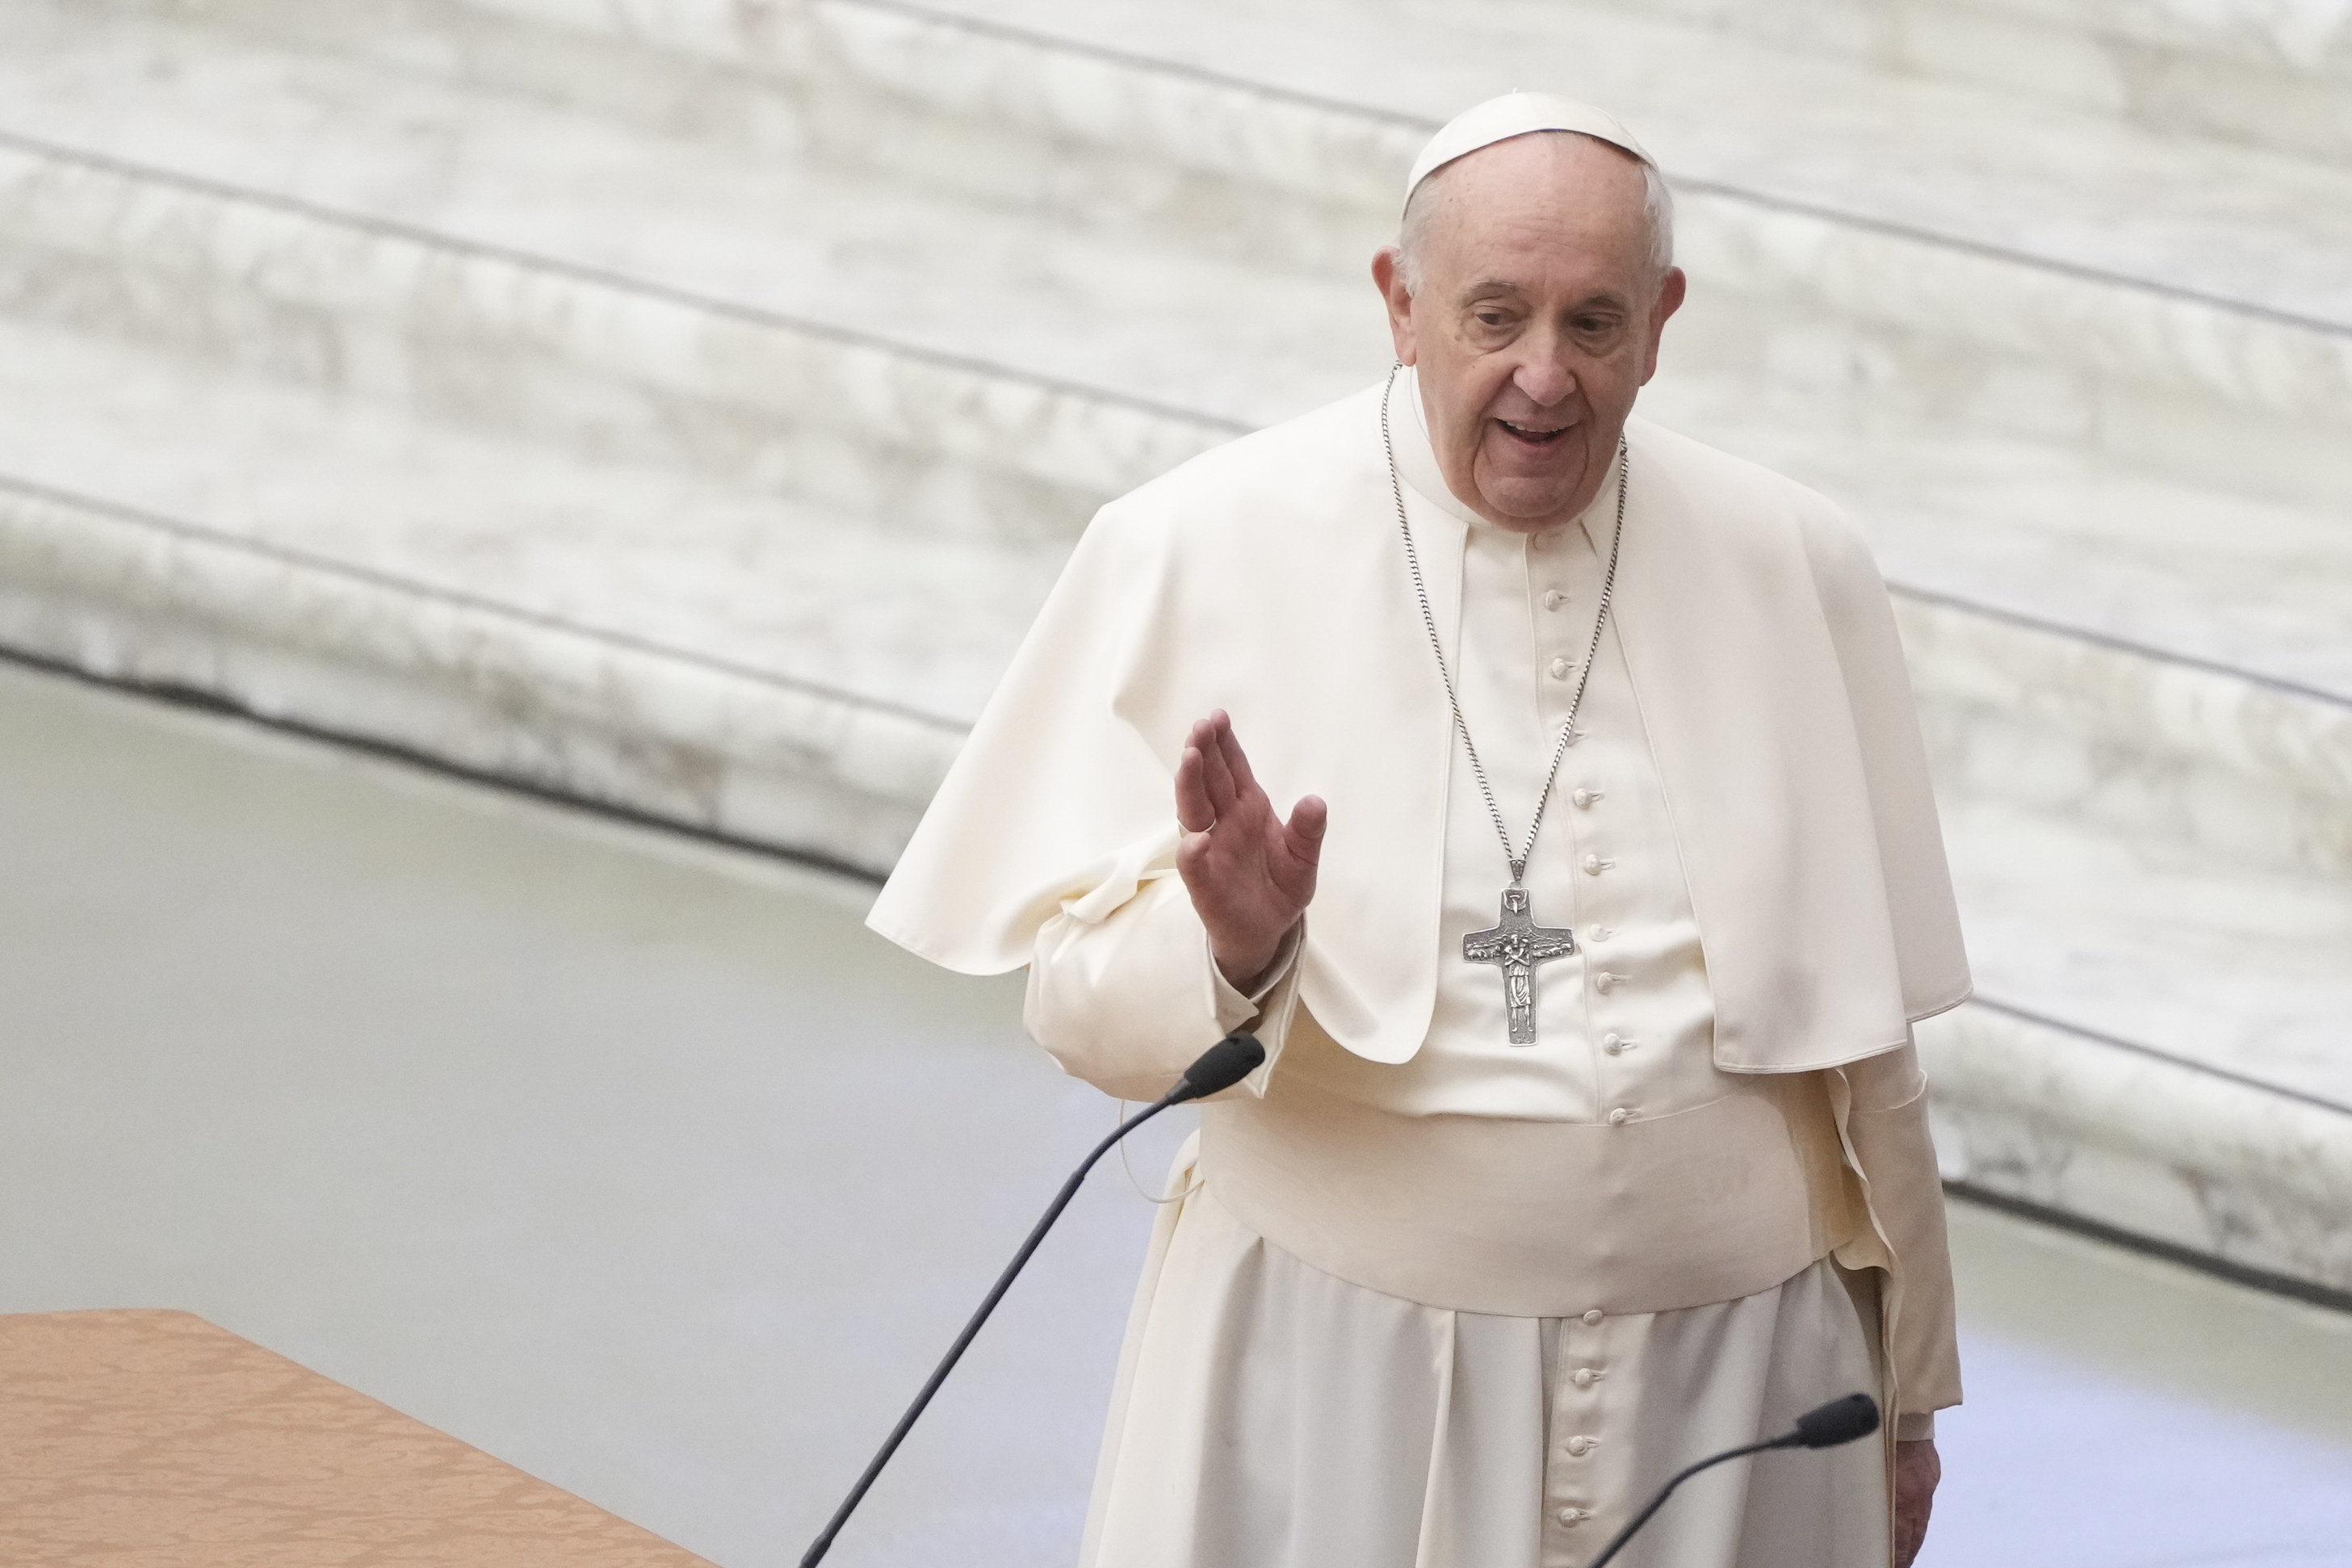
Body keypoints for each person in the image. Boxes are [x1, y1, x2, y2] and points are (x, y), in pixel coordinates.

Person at [870, 92, 1966, 1568]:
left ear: (1662, 322)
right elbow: (1069, 1003)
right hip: (1340, 1385)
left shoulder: (1794, 559)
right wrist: (1230, 945)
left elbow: (1867, 1049)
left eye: (1593, 323)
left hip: (1742, 1401)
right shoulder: (1197, 541)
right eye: (1494, 315)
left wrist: (1904, 1402)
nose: (1542, 377)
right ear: (1398, 305)